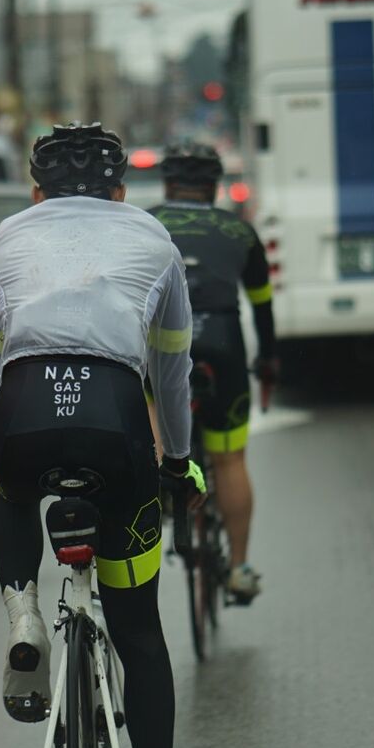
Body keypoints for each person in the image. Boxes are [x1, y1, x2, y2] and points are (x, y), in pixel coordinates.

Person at [0, 123, 204, 748]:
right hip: (114, 420)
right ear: (120, 191)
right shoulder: (152, 240)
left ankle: (26, 617)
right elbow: (172, 372)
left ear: (35, 191)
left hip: (20, 415)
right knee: (140, 633)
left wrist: (2, 454)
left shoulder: (9, 236)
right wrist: (177, 458)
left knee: (4, 490)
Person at [149, 139, 278, 604]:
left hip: (163, 340)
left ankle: (162, 481)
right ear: (214, 187)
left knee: (151, 408)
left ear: (167, 184)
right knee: (230, 460)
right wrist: (269, 360)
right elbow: (262, 306)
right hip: (222, 340)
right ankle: (240, 568)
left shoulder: (145, 224)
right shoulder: (239, 232)